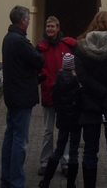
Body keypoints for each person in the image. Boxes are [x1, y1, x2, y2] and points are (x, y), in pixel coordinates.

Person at [74, 11, 107, 188]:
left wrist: (99, 93)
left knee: (90, 151)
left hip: (89, 104)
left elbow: (82, 76)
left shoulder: (81, 47)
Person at [1, 5, 45, 188]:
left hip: (12, 95)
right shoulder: (20, 41)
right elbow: (39, 60)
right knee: (20, 141)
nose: (29, 22)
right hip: (21, 96)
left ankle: (7, 179)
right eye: (27, 19)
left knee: (10, 138)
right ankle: (16, 182)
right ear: (22, 21)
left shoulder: (8, 38)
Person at [37, 16, 76, 177]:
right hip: (48, 92)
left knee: (64, 130)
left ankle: (65, 161)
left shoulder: (67, 45)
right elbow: (35, 67)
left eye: (52, 26)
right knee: (48, 130)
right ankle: (45, 162)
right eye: (48, 27)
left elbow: (77, 63)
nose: (50, 29)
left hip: (64, 94)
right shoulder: (41, 47)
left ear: (58, 28)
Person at [38, 53, 82, 188]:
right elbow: (81, 102)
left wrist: (60, 113)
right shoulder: (77, 83)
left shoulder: (57, 82)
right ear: (74, 66)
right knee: (73, 152)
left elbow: (55, 103)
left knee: (58, 149)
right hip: (76, 122)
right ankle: (71, 184)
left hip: (63, 120)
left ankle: (46, 182)